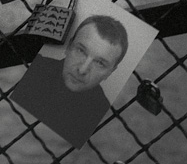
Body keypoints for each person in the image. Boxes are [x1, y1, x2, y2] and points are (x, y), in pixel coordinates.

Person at [11, 14, 129, 148]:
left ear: (110, 72)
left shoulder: (102, 111)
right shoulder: (33, 70)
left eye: (100, 63)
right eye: (80, 50)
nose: (82, 70)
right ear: (68, 47)